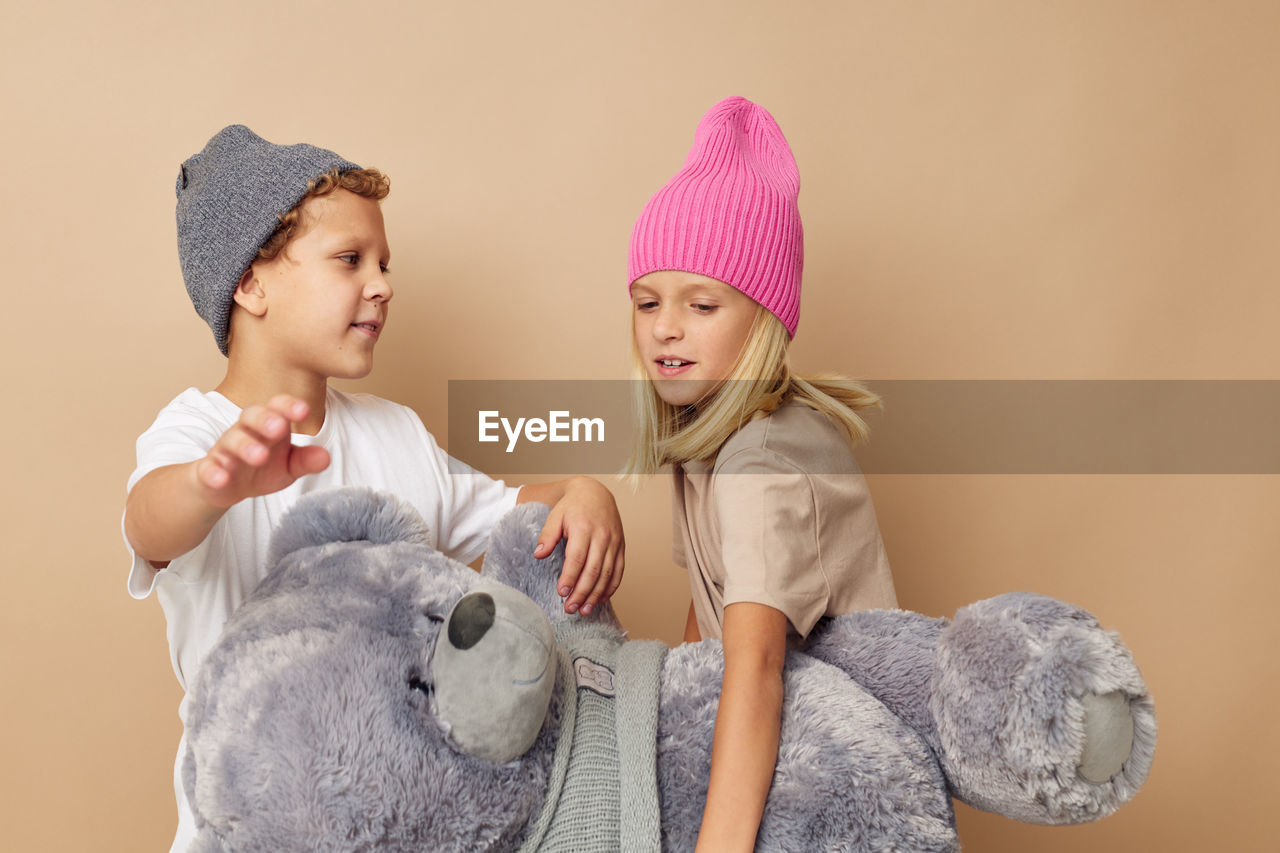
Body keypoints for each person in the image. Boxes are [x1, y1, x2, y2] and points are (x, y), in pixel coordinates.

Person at [122, 125, 625, 852]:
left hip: (403, 815)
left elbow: (510, 511)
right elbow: (148, 525)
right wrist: (213, 485)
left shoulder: (397, 433)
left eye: (384, 263)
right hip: (257, 821)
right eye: (350, 260)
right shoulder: (198, 432)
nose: (383, 284)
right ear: (250, 283)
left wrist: (582, 490)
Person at [624, 97, 899, 851]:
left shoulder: (761, 463)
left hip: (839, 781)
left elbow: (757, 667)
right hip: (780, 753)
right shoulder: (706, 437)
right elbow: (706, 618)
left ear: (765, 319)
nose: (666, 327)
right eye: (647, 302)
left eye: (701, 304)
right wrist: (667, 743)